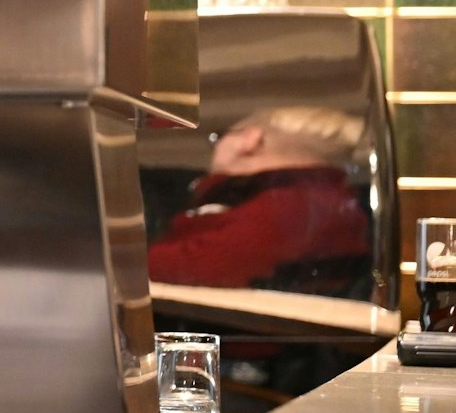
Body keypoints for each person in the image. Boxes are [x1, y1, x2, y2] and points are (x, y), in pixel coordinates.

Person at [147, 106, 371, 293]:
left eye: (220, 137)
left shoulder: (286, 211)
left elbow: (167, 270)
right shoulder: (329, 203)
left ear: (250, 139)